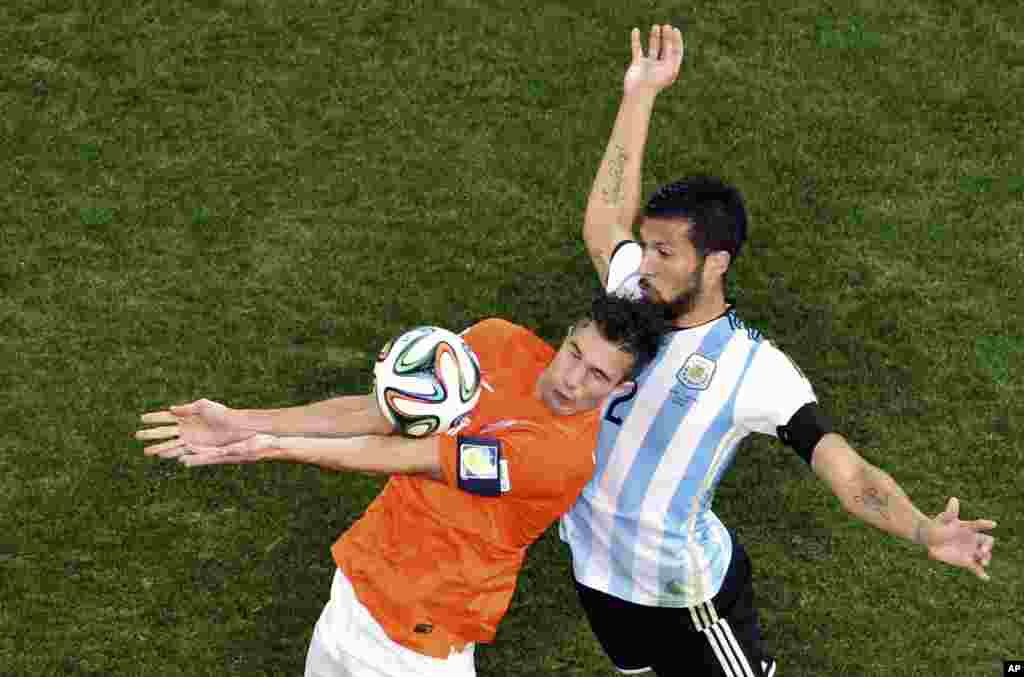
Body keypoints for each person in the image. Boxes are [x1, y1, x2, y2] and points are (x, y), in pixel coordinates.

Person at [558, 24, 998, 677]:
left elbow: (848, 473)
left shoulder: (751, 369)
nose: (643, 263)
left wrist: (923, 530)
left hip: (690, 604)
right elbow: (604, 222)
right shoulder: (632, 289)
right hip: (598, 579)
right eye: (647, 247)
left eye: (665, 252)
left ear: (715, 265)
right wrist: (640, 95)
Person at [135, 294, 664, 677]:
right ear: (568, 333)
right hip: (357, 585)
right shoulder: (493, 342)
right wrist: (243, 421)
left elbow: (411, 455)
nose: (572, 379)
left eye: (598, 376)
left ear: (622, 388)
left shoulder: (559, 457)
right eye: (574, 353)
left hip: (419, 643)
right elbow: (383, 414)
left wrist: (272, 445)